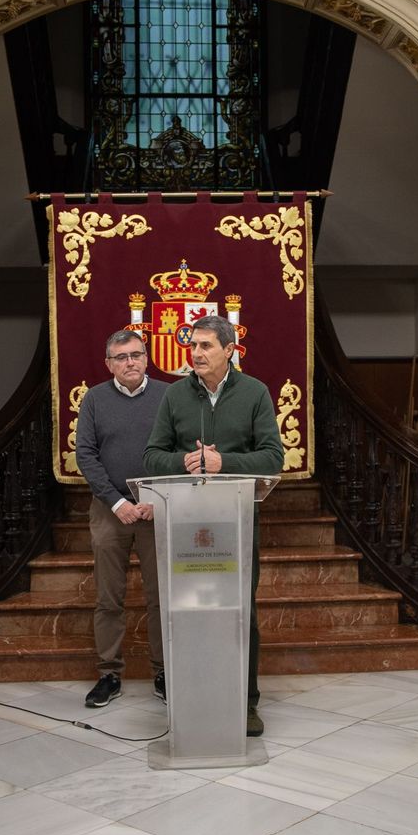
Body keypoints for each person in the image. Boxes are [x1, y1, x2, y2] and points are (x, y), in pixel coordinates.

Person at [143, 315, 284, 737]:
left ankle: (245, 704)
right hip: (185, 520)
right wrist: (182, 462)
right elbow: (152, 456)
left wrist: (226, 463)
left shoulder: (255, 392)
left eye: (206, 346)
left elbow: (273, 457)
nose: (196, 353)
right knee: (191, 609)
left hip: (236, 519)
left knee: (240, 609)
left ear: (229, 349)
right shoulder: (175, 397)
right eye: (194, 346)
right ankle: (194, 697)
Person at [76, 330, 169, 707]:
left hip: (157, 508)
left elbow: (180, 450)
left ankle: (164, 672)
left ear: (146, 358)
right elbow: (86, 455)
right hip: (110, 510)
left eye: (136, 354)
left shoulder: (169, 396)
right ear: (109, 364)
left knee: (161, 597)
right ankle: (109, 674)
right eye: (121, 357)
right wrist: (117, 503)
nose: (130, 362)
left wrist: (157, 500)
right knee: (108, 598)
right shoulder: (95, 399)